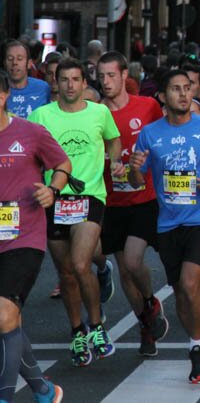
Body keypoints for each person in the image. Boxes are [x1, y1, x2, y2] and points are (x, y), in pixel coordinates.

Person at [130, 69, 200, 381]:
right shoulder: (150, 134)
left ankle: (195, 345)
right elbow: (137, 180)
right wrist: (134, 169)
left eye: (187, 88)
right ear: (163, 97)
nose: (183, 94)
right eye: (175, 89)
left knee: (191, 281)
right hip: (168, 223)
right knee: (181, 291)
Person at [29, 58, 122, 366]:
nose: (69, 85)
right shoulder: (41, 115)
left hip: (90, 196)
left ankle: (96, 326)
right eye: (63, 79)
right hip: (53, 198)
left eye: (75, 79)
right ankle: (77, 330)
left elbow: (114, 139)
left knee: (82, 263)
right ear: (56, 83)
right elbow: (28, 151)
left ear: (85, 83)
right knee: (66, 272)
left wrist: (114, 161)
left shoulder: (100, 112)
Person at [0, 69, 71, 403]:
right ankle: (43, 389)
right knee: (8, 319)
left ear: (3, 97)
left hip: (23, 235)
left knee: (3, 314)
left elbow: (62, 163)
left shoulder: (30, 132)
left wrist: (52, 190)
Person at [96, 52, 170, 356]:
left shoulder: (148, 106)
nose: (106, 82)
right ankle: (145, 323)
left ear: (124, 75)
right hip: (112, 200)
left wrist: (147, 161)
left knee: (132, 261)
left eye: (111, 75)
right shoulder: (94, 113)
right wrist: (104, 162)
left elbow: (163, 139)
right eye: (100, 76)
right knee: (125, 273)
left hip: (144, 196)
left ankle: (151, 300)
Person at [3, 40, 49, 118]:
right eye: (10, 59)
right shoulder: (1, 89)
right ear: (4, 63)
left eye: (19, 59)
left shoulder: (43, 88)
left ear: (29, 64)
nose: (14, 62)